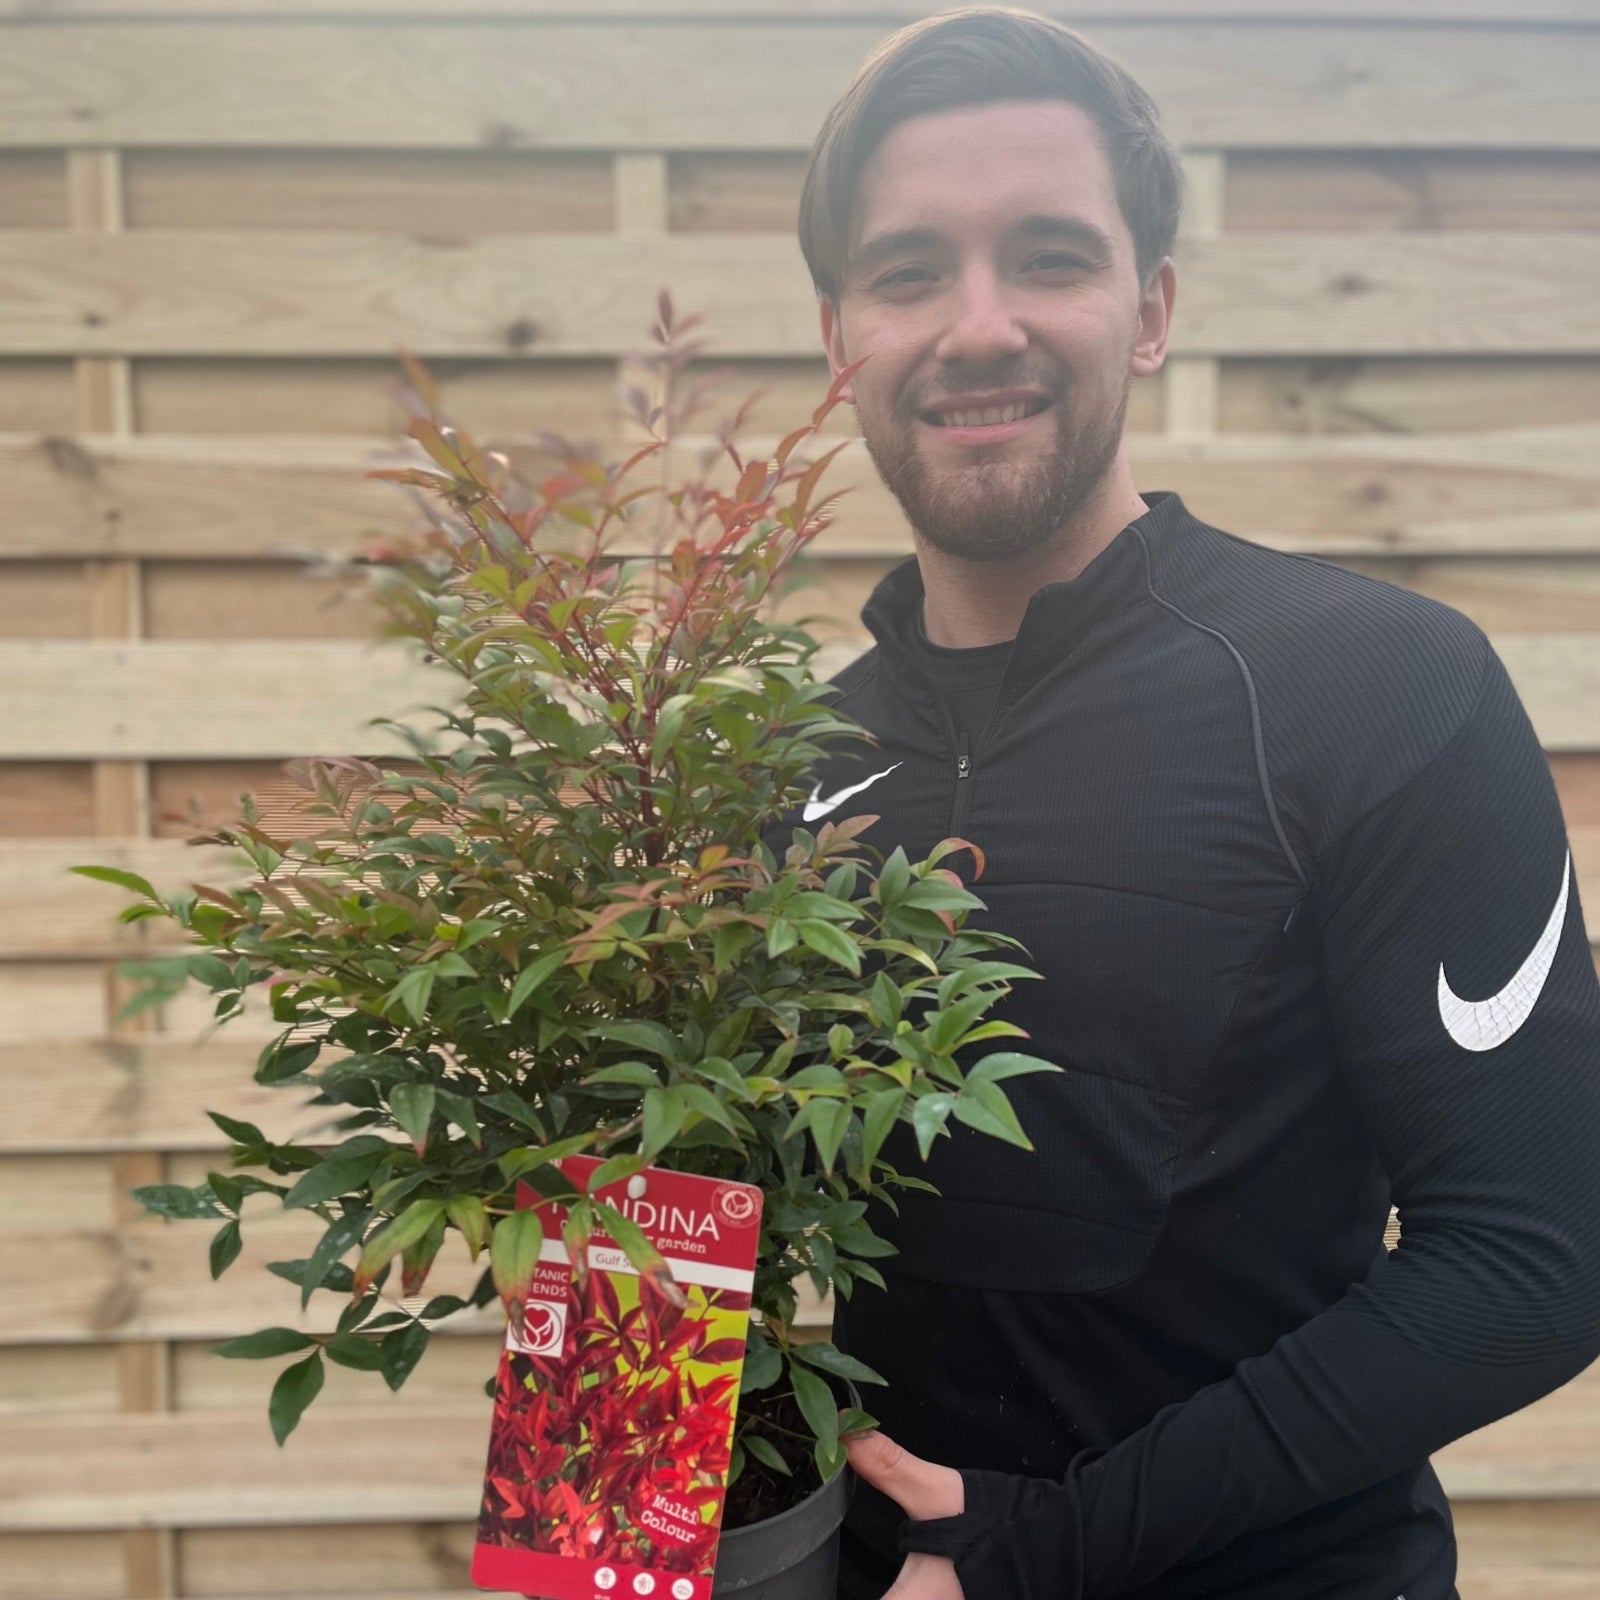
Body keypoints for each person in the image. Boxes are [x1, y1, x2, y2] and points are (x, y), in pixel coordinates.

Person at [770, 9, 1600, 1599]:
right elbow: (658, 1208)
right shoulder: (781, 767)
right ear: (839, 339)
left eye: (1051, 257)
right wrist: (592, 1544)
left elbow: (1536, 1262)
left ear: (1150, 310)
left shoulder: (1377, 691)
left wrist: (1047, 1555)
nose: (979, 324)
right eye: (908, 272)